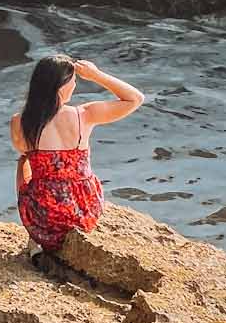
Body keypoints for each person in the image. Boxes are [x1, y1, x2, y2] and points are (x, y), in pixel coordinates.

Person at [9, 53, 145, 254]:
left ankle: (35, 237)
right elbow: (135, 98)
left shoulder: (20, 121)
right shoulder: (84, 115)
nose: (75, 85)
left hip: (44, 217)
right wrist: (97, 75)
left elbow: (23, 151)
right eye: (74, 80)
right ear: (62, 85)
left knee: (24, 162)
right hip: (83, 211)